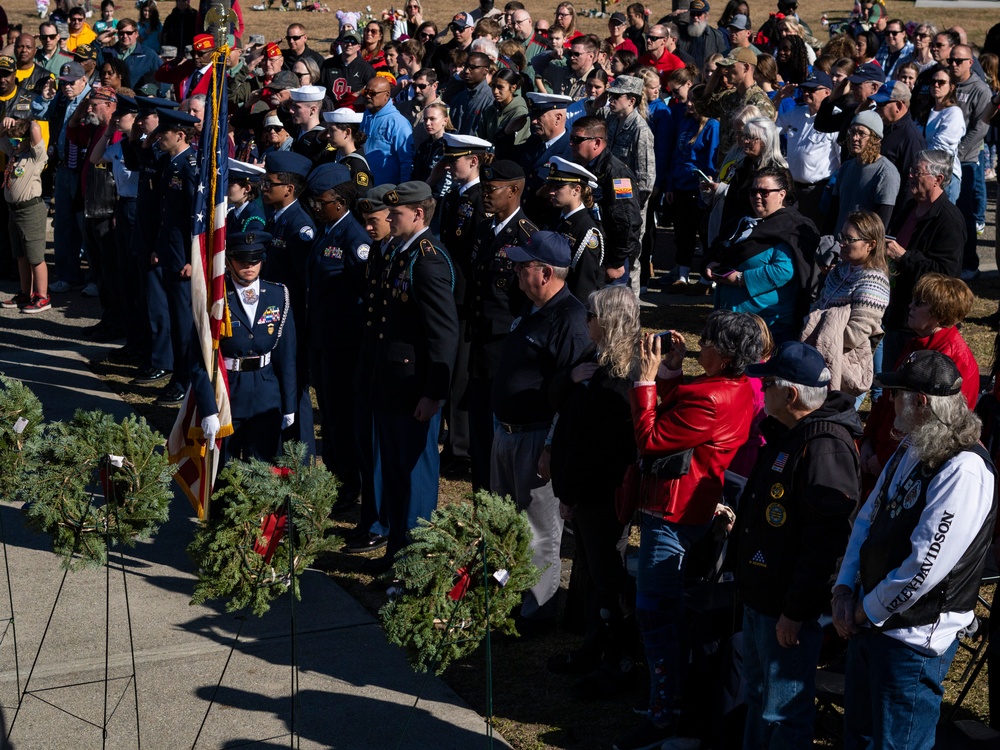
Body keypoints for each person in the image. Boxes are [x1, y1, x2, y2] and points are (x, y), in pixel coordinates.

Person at [834, 350, 997, 750]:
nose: (889, 402)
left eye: (896, 394)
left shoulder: (965, 469)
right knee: (859, 735)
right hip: (871, 620)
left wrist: (865, 609)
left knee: (898, 744)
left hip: (913, 638)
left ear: (921, 401)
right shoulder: (914, 444)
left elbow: (925, 565)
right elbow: (869, 518)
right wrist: (843, 587)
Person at [615, 311, 762, 750]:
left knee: (656, 614)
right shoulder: (726, 389)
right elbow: (681, 401)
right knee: (666, 609)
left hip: (673, 516)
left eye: (708, 342)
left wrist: (644, 381)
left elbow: (652, 438)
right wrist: (672, 370)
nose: (701, 346)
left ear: (726, 353)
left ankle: (665, 714)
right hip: (686, 509)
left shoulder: (714, 398)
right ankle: (670, 699)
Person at [733, 341, 862, 750]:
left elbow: (825, 542)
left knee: (784, 712)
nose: (760, 389)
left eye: (766, 383)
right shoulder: (793, 433)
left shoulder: (824, 446)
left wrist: (796, 611)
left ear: (790, 394)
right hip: (763, 599)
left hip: (786, 611)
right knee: (759, 698)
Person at [490, 230, 591, 631]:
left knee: (538, 530)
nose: (515, 271)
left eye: (522, 265)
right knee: (505, 521)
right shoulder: (534, 308)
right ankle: (508, 597)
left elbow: (571, 395)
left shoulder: (570, 319)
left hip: (535, 439)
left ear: (545, 272)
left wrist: (552, 447)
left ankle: (536, 611)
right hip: (508, 433)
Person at [547, 285, 640, 692]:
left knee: (607, 578)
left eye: (593, 313)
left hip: (601, 496)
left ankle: (617, 660)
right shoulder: (594, 360)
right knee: (589, 571)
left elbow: (603, 449)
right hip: (582, 492)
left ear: (609, 321)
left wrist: (573, 493)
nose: (586, 320)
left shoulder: (623, 377)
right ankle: (593, 645)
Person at [362, 182, 459, 573]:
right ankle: (396, 556)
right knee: (397, 475)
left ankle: (414, 564)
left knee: (415, 476)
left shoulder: (428, 260)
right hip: (390, 383)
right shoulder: (400, 254)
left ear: (418, 214)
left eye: (397, 213)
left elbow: (443, 334)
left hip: (414, 388)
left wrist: (433, 395)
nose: (390, 218)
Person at [860, 273, 978, 487]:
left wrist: (886, 457)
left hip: (907, 467)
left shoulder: (952, 361)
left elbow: (937, 427)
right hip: (881, 453)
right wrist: (868, 438)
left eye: (919, 303)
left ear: (940, 313)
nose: (910, 306)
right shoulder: (917, 345)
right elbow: (889, 397)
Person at [193, 230, 297, 474]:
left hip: (265, 394)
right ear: (228, 261)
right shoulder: (214, 299)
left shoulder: (278, 294)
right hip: (227, 393)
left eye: (255, 260)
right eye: (241, 260)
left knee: (263, 470)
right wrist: (208, 409)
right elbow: (198, 361)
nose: (249, 267)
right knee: (222, 470)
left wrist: (289, 404)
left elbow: (287, 355)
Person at [466, 159, 537, 491]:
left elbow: (529, 303)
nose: (485, 195)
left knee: (501, 435)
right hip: (479, 346)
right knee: (479, 433)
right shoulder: (483, 229)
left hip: (506, 349)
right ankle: (482, 500)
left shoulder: (527, 238)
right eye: (482, 188)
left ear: (514, 190)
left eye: (491, 189)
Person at [303, 163, 370, 511]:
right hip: (323, 341)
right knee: (329, 416)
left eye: (322, 200)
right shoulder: (327, 231)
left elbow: (364, 296)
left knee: (343, 420)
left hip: (344, 346)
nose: (316, 206)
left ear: (341, 201)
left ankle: (348, 488)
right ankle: (333, 481)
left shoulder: (355, 240)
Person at [706, 166, 817, 343]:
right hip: (732, 319)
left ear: (781, 194)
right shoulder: (744, 222)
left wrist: (740, 279)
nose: (757, 196)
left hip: (766, 324)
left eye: (764, 192)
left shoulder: (791, 227)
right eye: (753, 191)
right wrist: (714, 262)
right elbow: (721, 246)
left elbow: (783, 270)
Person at [882, 150, 966, 368]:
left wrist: (904, 257)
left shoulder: (949, 221)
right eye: (911, 171)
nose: (910, 176)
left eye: (917, 172)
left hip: (921, 326)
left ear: (938, 179)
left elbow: (945, 275)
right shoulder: (910, 207)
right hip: (896, 312)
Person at [143, 106, 201, 405]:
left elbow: (196, 217)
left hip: (184, 258)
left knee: (183, 323)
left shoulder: (190, 165)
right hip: (170, 251)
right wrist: (157, 246)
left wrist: (194, 257)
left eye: (162, 133)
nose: (157, 137)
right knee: (175, 319)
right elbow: (166, 213)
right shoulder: (170, 162)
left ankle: (185, 380)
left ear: (180, 135)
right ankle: (179, 375)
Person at [260, 150, 316, 452]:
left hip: (291, 320)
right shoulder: (277, 218)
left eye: (270, 183)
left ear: (289, 189)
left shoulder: (299, 226)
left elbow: (304, 284)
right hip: (275, 317)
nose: (263, 187)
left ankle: (301, 454)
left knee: (295, 387)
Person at [802, 210, 890, 395]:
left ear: (870, 245)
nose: (841, 243)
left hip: (846, 369)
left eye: (849, 239)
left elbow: (855, 334)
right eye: (841, 236)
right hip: (822, 357)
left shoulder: (874, 280)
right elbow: (820, 304)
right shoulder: (840, 270)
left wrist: (816, 331)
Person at [663, 86, 719, 292]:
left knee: (703, 235)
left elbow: (711, 160)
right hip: (679, 186)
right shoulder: (685, 122)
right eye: (689, 101)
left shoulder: (712, 126)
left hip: (699, 188)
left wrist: (707, 189)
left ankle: (706, 279)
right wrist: (670, 185)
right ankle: (682, 275)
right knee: (682, 233)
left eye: (694, 101)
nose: (689, 104)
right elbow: (676, 156)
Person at [949, 44, 993, 278]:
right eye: (951, 61)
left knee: (964, 213)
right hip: (944, 160)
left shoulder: (980, 89)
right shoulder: (946, 83)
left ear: (970, 62)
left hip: (966, 161)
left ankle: (970, 263)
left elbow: (981, 125)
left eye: (959, 61)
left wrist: (961, 150)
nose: (953, 65)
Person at [776, 71, 839, 225]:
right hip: (793, 188)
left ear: (827, 92)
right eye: (804, 89)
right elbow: (769, 129)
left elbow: (842, 161)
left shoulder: (836, 118)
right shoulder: (796, 113)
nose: (806, 93)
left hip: (817, 191)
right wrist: (778, 99)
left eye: (812, 90)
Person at [0, 119, 49, 313]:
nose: (14, 145)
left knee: (35, 256)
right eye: (12, 142)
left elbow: (36, 128)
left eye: (18, 141)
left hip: (31, 210)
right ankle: (25, 292)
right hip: (15, 210)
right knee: (20, 255)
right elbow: (1, 136)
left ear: (28, 140)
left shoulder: (36, 156)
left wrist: (29, 123)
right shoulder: (14, 153)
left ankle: (42, 296)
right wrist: (5, 124)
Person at [827, 111, 900, 235]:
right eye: (853, 132)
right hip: (836, 244)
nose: (855, 138)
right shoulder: (846, 167)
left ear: (875, 138)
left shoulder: (886, 172)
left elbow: (881, 221)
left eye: (861, 133)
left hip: (862, 247)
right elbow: (833, 211)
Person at [544, 156, 605, 302]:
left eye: (558, 187)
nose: (551, 192)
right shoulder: (556, 218)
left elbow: (585, 286)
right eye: (550, 186)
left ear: (576, 190)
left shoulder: (587, 231)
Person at [702, 47, 777, 164]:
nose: (726, 71)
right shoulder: (728, 97)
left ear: (746, 68)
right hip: (724, 165)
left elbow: (760, 145)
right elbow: (703, 108)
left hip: (743, 168)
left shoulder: (760, 103)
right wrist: (714, 77)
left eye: (731, 66)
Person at [516, 92, 573, 225]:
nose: (534, 121)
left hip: (547, 224)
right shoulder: (533, 141)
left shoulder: (570, 151)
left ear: (558, 118)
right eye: (533, 116)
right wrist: (506, 133)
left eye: (539, 116)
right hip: (525, 218)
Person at [918, 66, 965, 203]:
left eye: (941, 82)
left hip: (945, 175)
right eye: (933, 82)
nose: (936, 85)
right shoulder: (927, 111)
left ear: (951, 87)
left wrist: (919, 156)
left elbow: (942, 147)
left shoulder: (953, 113)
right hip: (925, 173)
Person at [360, 74, 413, 185]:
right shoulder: (364, 116)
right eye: (365, 92)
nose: (368, 96)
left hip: (386, 192)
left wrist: (401, 191)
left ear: (387, 95)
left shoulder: (398, 123)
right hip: (363, 186)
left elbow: (407, 161)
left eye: (372, 93)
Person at [478, 67, 529, 159]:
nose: (495, 91)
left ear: (513, 88)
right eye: (493, 86)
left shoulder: (520, 112)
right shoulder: (490, 110)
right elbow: (480, 137)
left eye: (500, 87)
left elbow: (517, 143)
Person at [319, 30, 376, 111]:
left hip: (355, 114)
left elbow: (371, 95)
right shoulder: (327, 65)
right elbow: (320, 88)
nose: (349, 44)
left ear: (359, 47)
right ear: (341, 43)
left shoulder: (366, 69)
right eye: (346, 40)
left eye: (353, 42)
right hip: (330, 112)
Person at [322, 107, 372, 190]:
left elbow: (360, 196)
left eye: (332, 130)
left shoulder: (357, 165)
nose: (327, 135)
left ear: (347, 132)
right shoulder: (333, 155)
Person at [450, 50, 493, 135]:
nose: (466, 71)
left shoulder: (491, 100)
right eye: (466, 66)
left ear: (485, 70)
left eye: (473, 67)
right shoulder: (458, 98)